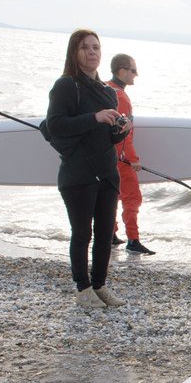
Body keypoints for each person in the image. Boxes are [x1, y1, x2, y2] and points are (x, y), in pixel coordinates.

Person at [44, 29, 130, 308]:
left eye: (96, 47)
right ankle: (83, 289)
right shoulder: (67, 86)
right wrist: (95, 117)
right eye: (85, 48)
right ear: (74, 52)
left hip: (106, 172)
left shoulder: (107, 91)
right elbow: (56, 125)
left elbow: (108, 137)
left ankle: (100, 286)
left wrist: (121, 130)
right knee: (82, 234)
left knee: (105, 234)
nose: (92, 52)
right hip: (78, 173)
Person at [107, 53, 154, 255]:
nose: (136, 75)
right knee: (132, 198)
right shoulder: (121, 97)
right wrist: (133, 160)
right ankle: (133, 241)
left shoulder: (105, 88)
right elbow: (124, 135)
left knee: (111, 196)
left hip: (107, 156)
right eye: (133, 70)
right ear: (122, 71)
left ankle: (110, 235)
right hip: (121, 158)